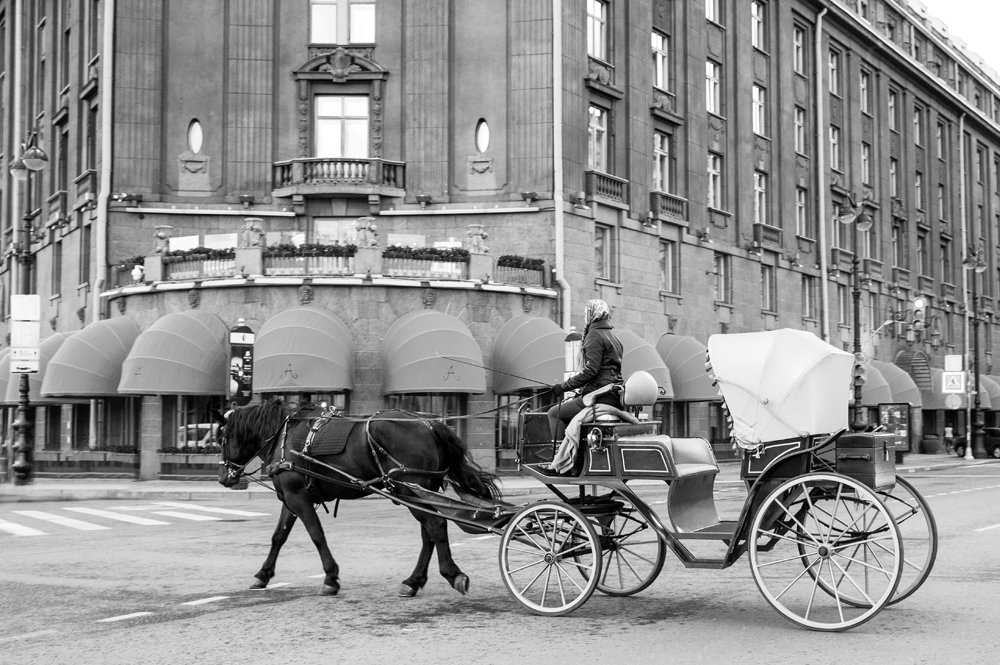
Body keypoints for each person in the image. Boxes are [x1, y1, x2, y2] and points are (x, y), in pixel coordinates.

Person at [544, 299, 624, 474]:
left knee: (554, 413)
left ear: (591, 314)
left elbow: (591, 371)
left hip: (599, 396)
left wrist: (563, 387)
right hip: (611, 395)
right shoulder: (613, 337)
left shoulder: (595, 336)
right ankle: (576, 457)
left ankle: (562, 461)